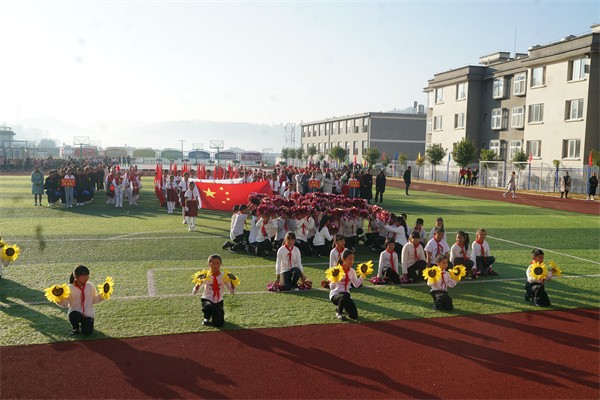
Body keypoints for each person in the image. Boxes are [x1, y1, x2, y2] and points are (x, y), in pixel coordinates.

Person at [56, 265, 105, 335]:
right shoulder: (69, 288)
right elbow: (65, 304)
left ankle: (86, 324)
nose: (87, 277)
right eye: (84, 275)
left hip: (88, 314)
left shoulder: (90, 286)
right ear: (76, 276)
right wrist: (58, 297)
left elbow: (93, 300)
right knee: (73, 315)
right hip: (76, 313)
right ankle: (75, 328)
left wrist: (103, 294)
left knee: (87, 333)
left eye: (87, 275)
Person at [192, 254, 235, 327]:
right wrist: (198, 285)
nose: (216, 266)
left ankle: (216, 317)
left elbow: (232, 292)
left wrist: (232, 284)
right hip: (207, 299)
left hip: (219, 300)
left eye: (218, 263)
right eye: (213, 263)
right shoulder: (206, 276)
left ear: (221, 264)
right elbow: (194, 292)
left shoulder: (224, 276)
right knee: (209, 306)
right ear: (209, 264)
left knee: (219, 324)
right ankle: (206, 318)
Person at [329, 249, 363, 321]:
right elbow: (332, 287)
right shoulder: (337, 270)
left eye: (353, 259)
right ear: (343, 259)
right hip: (335, 295)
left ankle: (340, 307)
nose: (352, 261)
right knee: (346, 294)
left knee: (354, 316)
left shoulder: (352, 271)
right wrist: (335, 278)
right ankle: (339, 312)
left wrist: (363, 275)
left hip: (346, 297)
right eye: (350, 259)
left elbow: (356, 285)